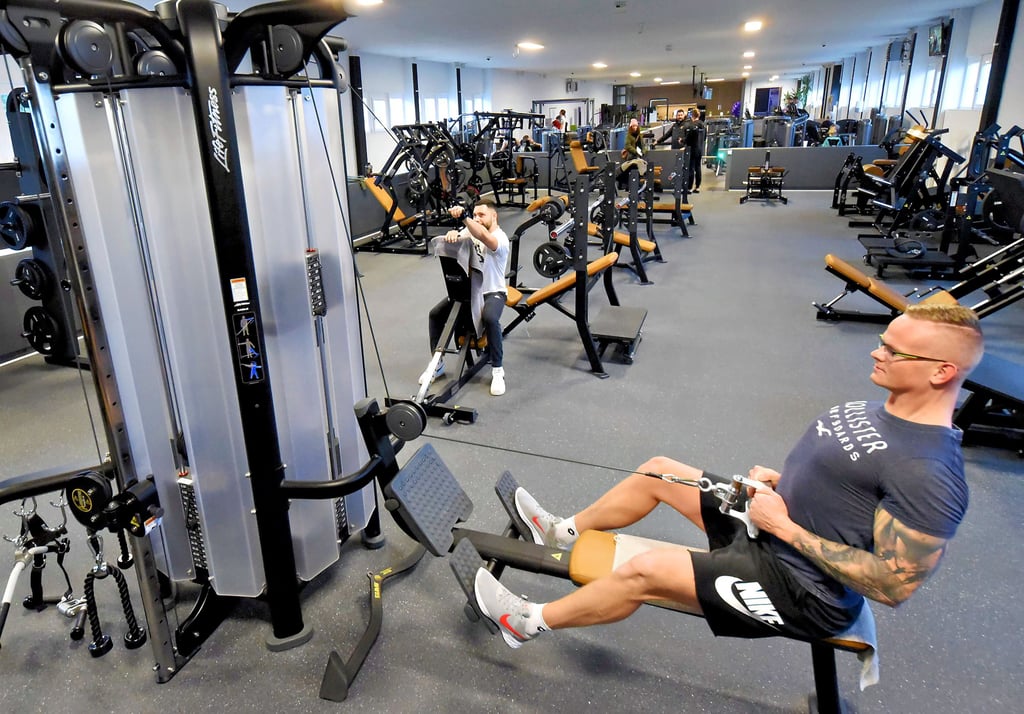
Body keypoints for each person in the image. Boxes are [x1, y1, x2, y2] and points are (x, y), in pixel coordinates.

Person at [474, 304, 983, 647]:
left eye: (896, 351)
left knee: (644, 570)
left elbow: (895, 584)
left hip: (801, 588)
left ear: (941, 372)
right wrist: (784, 483)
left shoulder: (931, 472)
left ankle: (525, 622)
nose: (878, 352)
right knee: (660, 472)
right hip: (770, 525)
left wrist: (784, 527)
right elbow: (850, 485)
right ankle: (562, 531)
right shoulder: (889, 408)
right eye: (883, 341)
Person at [421, 198, 510, 396]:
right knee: (435, 314)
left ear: (494, 216)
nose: (477, 218)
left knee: (490, 318)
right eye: (475, 214)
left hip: (492, 292)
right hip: (469, 292)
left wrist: (464, 218)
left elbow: (485, 238)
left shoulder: (500, 238)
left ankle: (497, 370)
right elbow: (459, 240)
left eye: (482, 215)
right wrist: (453, 234)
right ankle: (438, 364)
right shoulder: (471, 230)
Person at [618, 118, 648, 191]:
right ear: (631, 127)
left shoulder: (639, 135)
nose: (635, 127)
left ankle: (635, 186)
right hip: (631, 157)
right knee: (631, 170)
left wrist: (643, 151)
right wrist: (635, 151)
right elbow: (627, 146)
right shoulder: (628, 136)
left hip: (639, 157)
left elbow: (643, 145)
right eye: (633, 126)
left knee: (637, 171)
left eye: (636, 126)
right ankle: (629, 186)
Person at [682, 107, 705, 193]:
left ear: (692, 115)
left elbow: (688, 138)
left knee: (691, 168)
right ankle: (697, 187)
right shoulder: (703, 125)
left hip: (692, 149)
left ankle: (689, 187)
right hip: (700, 149)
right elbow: (704, 138)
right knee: (698, 167)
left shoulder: (692, 125)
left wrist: (682, 141)